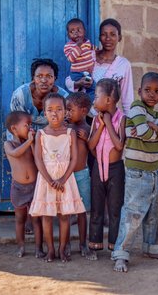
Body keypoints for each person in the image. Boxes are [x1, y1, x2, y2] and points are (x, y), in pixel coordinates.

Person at [112, 72, 158, 272]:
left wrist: (155, 128)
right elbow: (143, 132)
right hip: (137, 172)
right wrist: (157, 132)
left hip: (157, 170)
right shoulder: (136, 108)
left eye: (157, 91)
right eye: (147, 90)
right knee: (133, 213)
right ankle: (120, 254)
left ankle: (152, 248)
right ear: (139, 91)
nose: (151, 94)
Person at [29, 93, 86, 263]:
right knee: (47, 215)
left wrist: (62, 180)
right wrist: (49, 180)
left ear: (65, 112)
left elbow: (74, 159)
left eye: (59, 109)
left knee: (64, 215)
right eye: (50, 110)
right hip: (46, 179)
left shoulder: (70, 133)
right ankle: (50, 250)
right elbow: (38, 159)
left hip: (65, 179)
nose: (55, 114)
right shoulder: (41, 134)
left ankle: (62, 249)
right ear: (44, 113)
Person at [86, 79, 126, 261]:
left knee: (115, 208)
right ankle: (94, 245)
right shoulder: (96, 119)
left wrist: (108, 123)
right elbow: (91, 146)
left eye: (96, 96)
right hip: (97, 168)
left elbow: (119, 145)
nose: (94, 100)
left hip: (115, 170)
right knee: (96, 208)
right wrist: (101, 124)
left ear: (108, 99)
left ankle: (115, 246)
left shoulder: (122, 119)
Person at [65, 18, 133, 116]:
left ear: (120, 37)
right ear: (99, 37)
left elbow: (127, 99)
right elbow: (68, 80)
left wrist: (129, 124)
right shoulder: (88, 55)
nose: (108, 38)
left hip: (106, 119)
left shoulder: (123, 65)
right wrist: (78, 83)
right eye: (103, 34)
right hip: (82, 116)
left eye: (113, 34)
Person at [3, 111, 45, 259]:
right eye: (27, 125)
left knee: (36, 219)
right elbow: (15, 153)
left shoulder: (30, 143)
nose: (30, 128)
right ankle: (21, 246)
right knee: (20, 218)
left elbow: (37, 157)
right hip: (19, 188)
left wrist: (32, 143)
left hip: (34, 187)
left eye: (31, 125)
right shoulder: (8, 144)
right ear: (14, 129)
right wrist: (28, 142)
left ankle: (38, 248)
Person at [65, 92, 92, 257]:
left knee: (82, 212)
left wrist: (88, 139)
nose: (67, 113)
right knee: (66, 213)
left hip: (82, 174)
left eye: (70, 110)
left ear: (83, 111)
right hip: (66, 176)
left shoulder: (87, 129)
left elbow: (95, 149)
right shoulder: (65, 128)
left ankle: (83, 244)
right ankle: (66, 243)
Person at [11, 58, 69, 132]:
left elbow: (66, 120)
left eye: (49, 76)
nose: (44, 80)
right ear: (33, 78)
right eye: (39, 76)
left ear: (55, 78)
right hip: (23, 134)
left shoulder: (63, 97)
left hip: (52, 134)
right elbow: (17, 119)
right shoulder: (20, 95)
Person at [64, 18, 96, 100]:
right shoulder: (69, 46)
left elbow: (92, 48)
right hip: (77, 73)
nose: (76, 33)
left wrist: (99, 50)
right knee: (82, 89)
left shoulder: (87, 42)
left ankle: (90, 104)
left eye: (79, 30)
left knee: (92, 88)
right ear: (68, 35)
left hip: (88, 73)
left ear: (84, 31)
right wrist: (78, 46)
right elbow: (71, 59)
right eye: (72, 31)